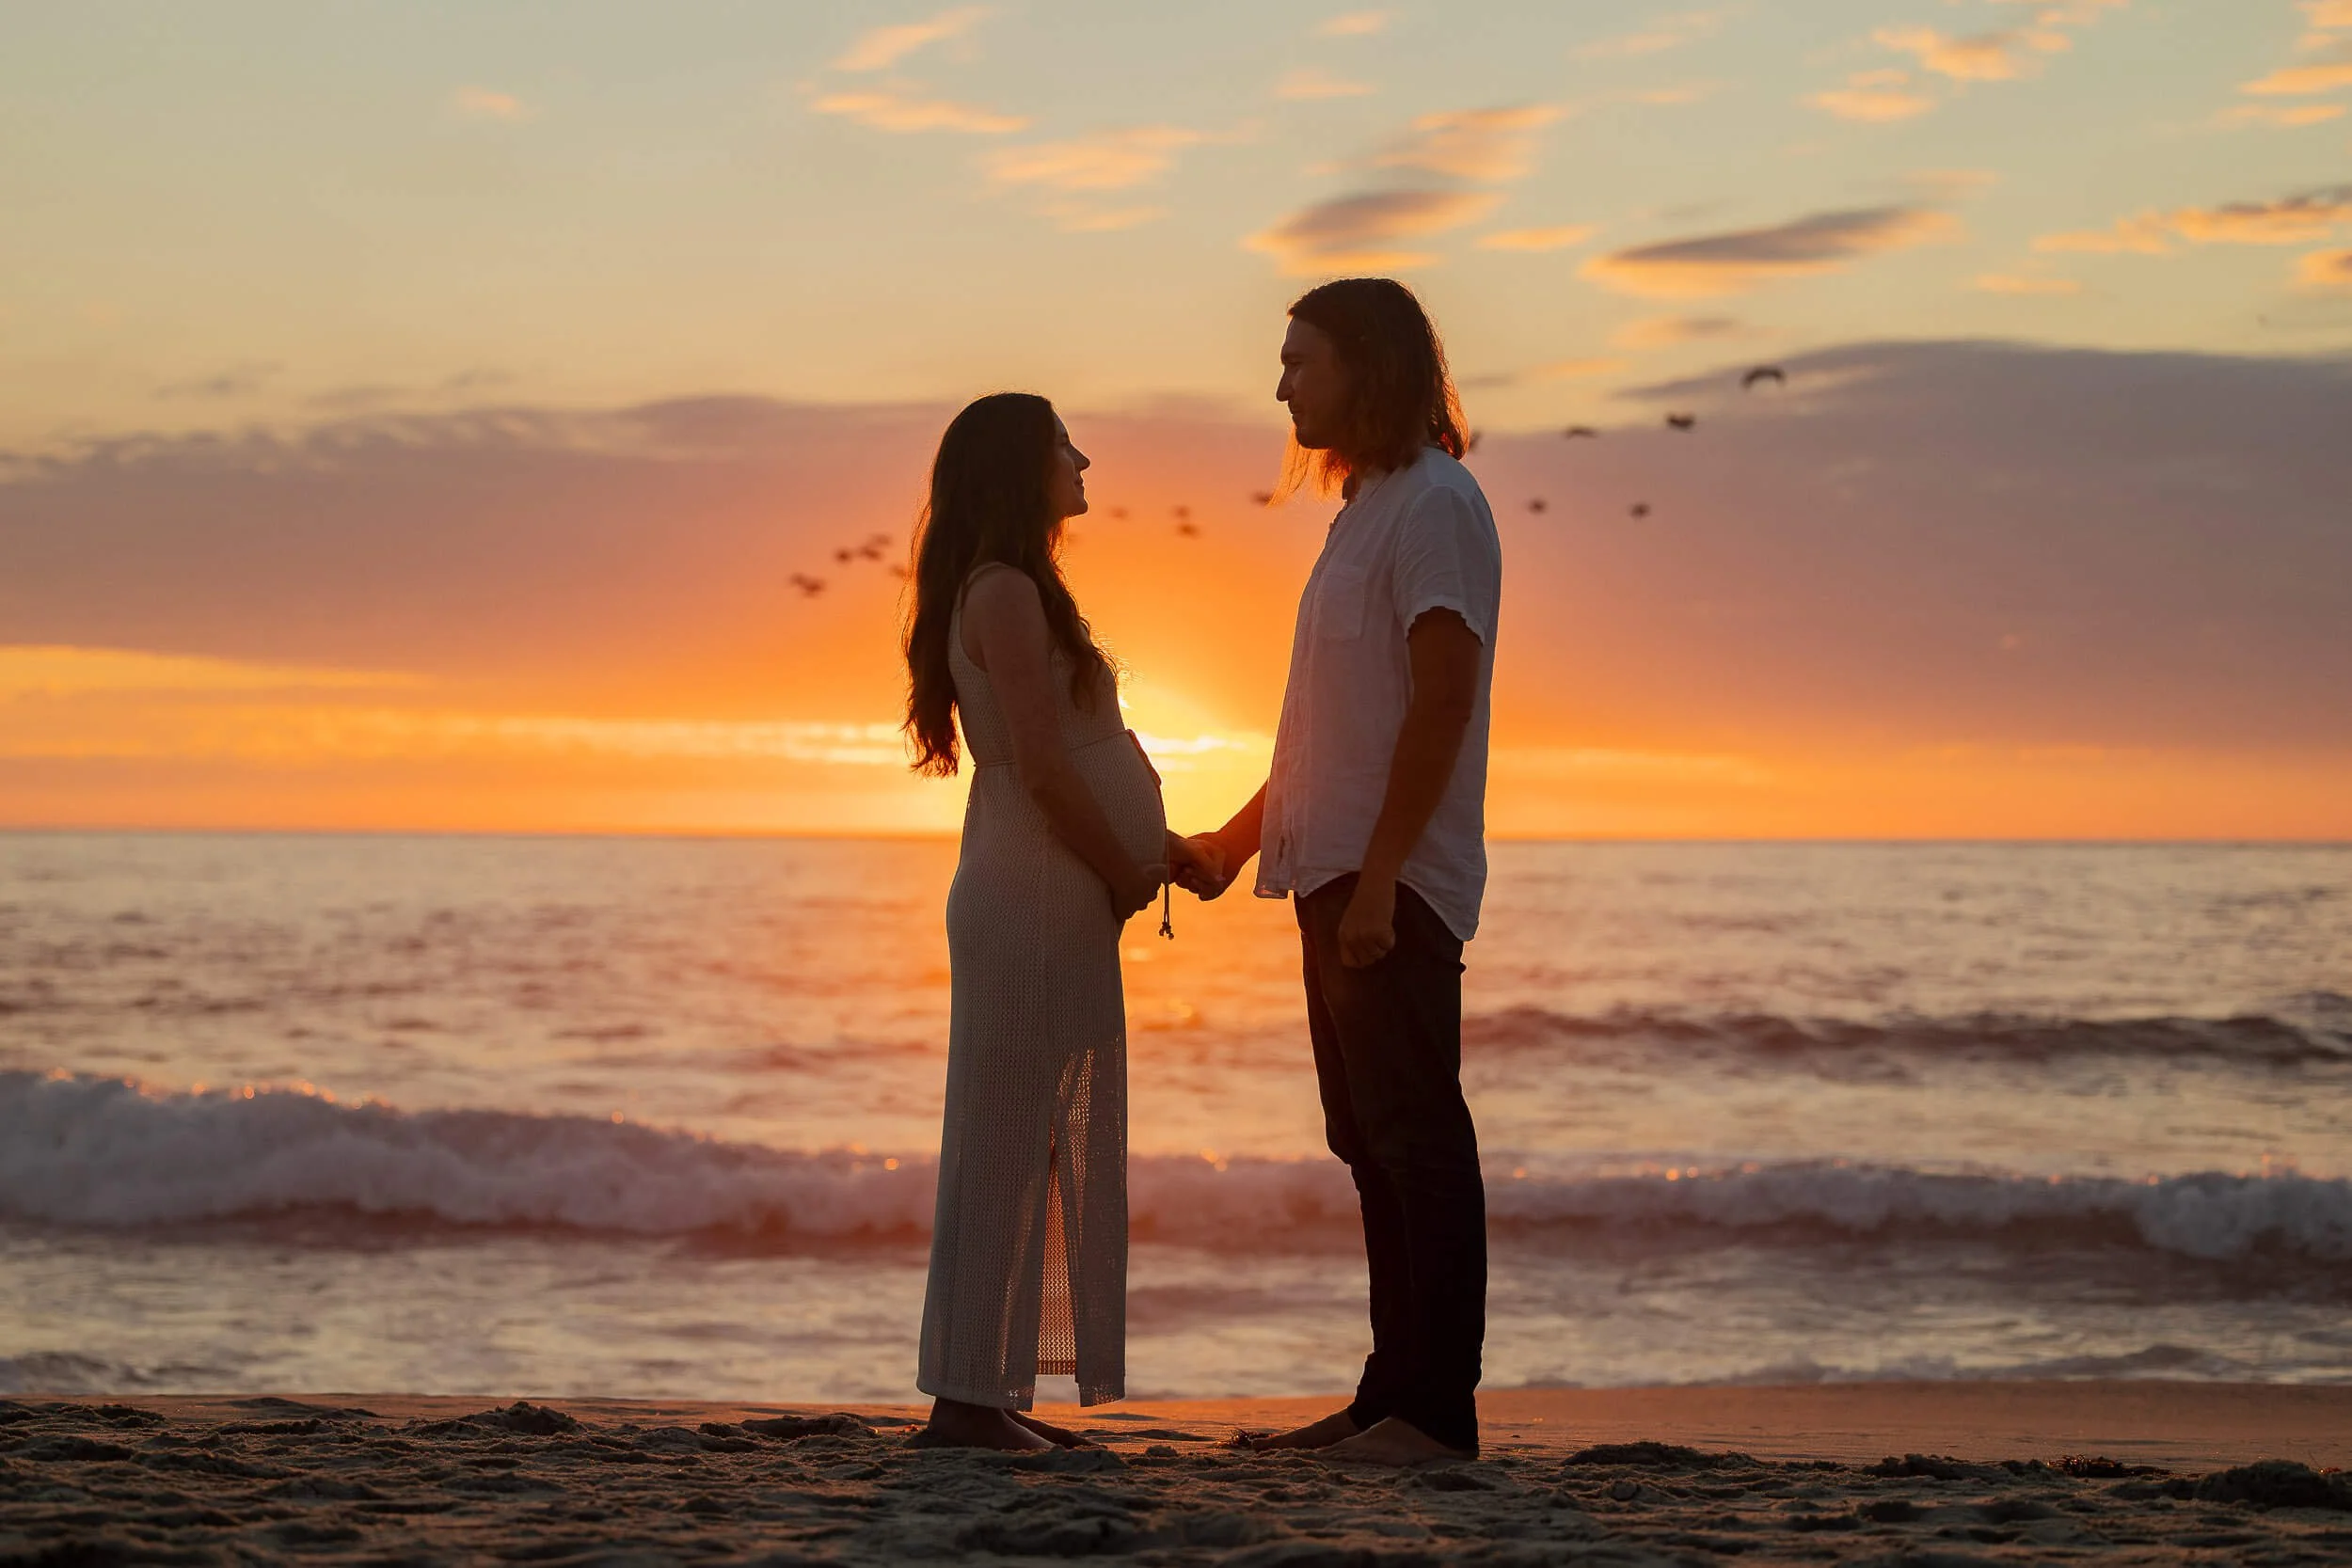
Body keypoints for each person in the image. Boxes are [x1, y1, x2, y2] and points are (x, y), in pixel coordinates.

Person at [1181, 278, 1502, 1465]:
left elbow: (1442, 701)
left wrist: (1378, 879)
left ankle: (1434, 1415)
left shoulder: (1436, 505)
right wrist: (1232, 840)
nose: (1278, 385)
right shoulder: (1363, 506)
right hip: (1333, 874)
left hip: (1392, 883)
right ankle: (1387, 1399)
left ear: (1364, 365)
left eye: (1298, 361)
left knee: (1417, 1137)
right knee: (1366, 1139)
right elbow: (1329, 727)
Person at [901, 391, 1216, 1450]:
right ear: (1017, 469)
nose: (1084, 458)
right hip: (1036, 889)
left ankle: (986, 1395)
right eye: (1062, 446)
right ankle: (963, 1402)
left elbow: (1069, 753)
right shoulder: (1000, 592)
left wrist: (1152, 846)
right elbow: (1039, 765)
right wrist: (1124, 867)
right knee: (1004, 1139)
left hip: (1046, 884)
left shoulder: (1014, 588)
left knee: (1025, 1134)